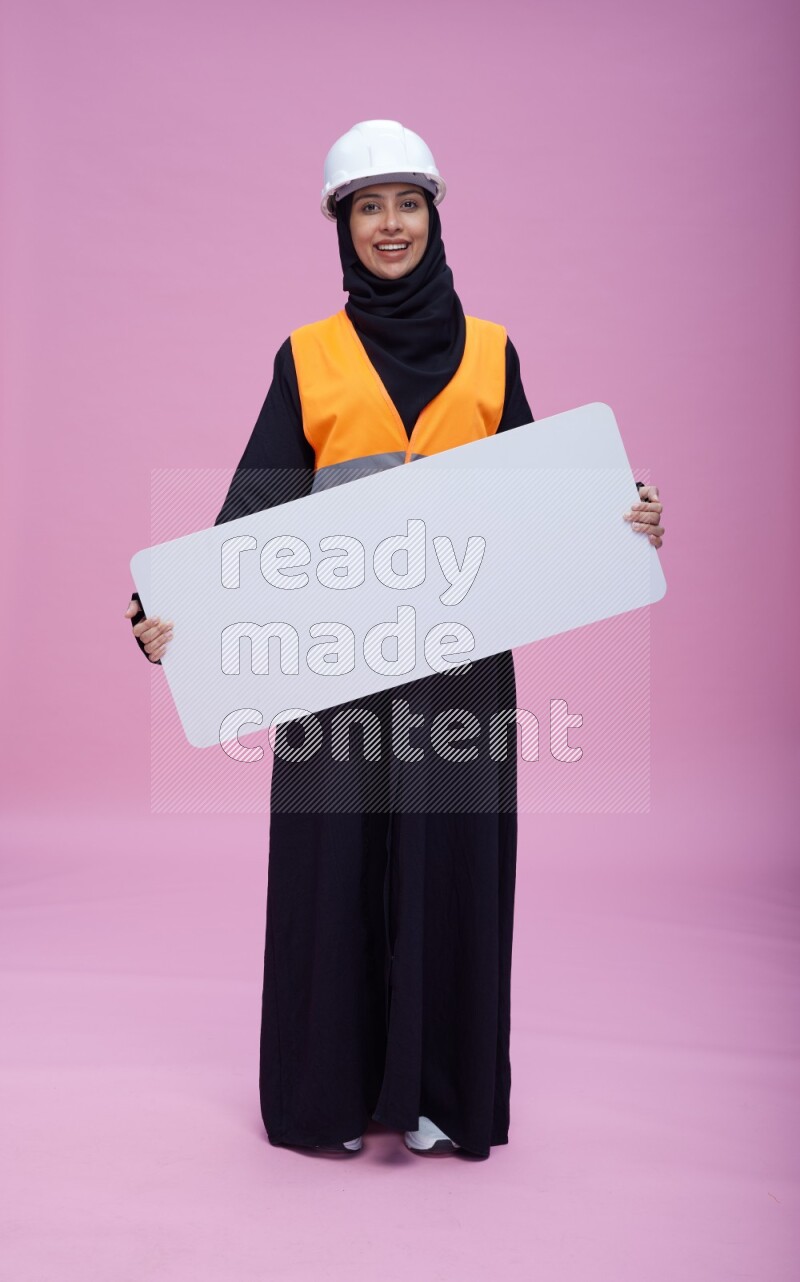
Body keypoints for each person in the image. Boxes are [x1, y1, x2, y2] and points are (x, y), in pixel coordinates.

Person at [125, 120, 665, 1159]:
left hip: (464, 673)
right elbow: (248, 522)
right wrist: (161, 614)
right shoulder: (308, 357)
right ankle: (326, 1098)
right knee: (331, 872)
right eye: (365, 206)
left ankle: (437, 1094)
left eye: (406, 203)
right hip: (332, 673)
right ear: (340, 224)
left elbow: (553, 506)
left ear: (434, 215)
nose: (388, 224)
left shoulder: (495, 352)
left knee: (449, 868)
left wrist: (624, 516)